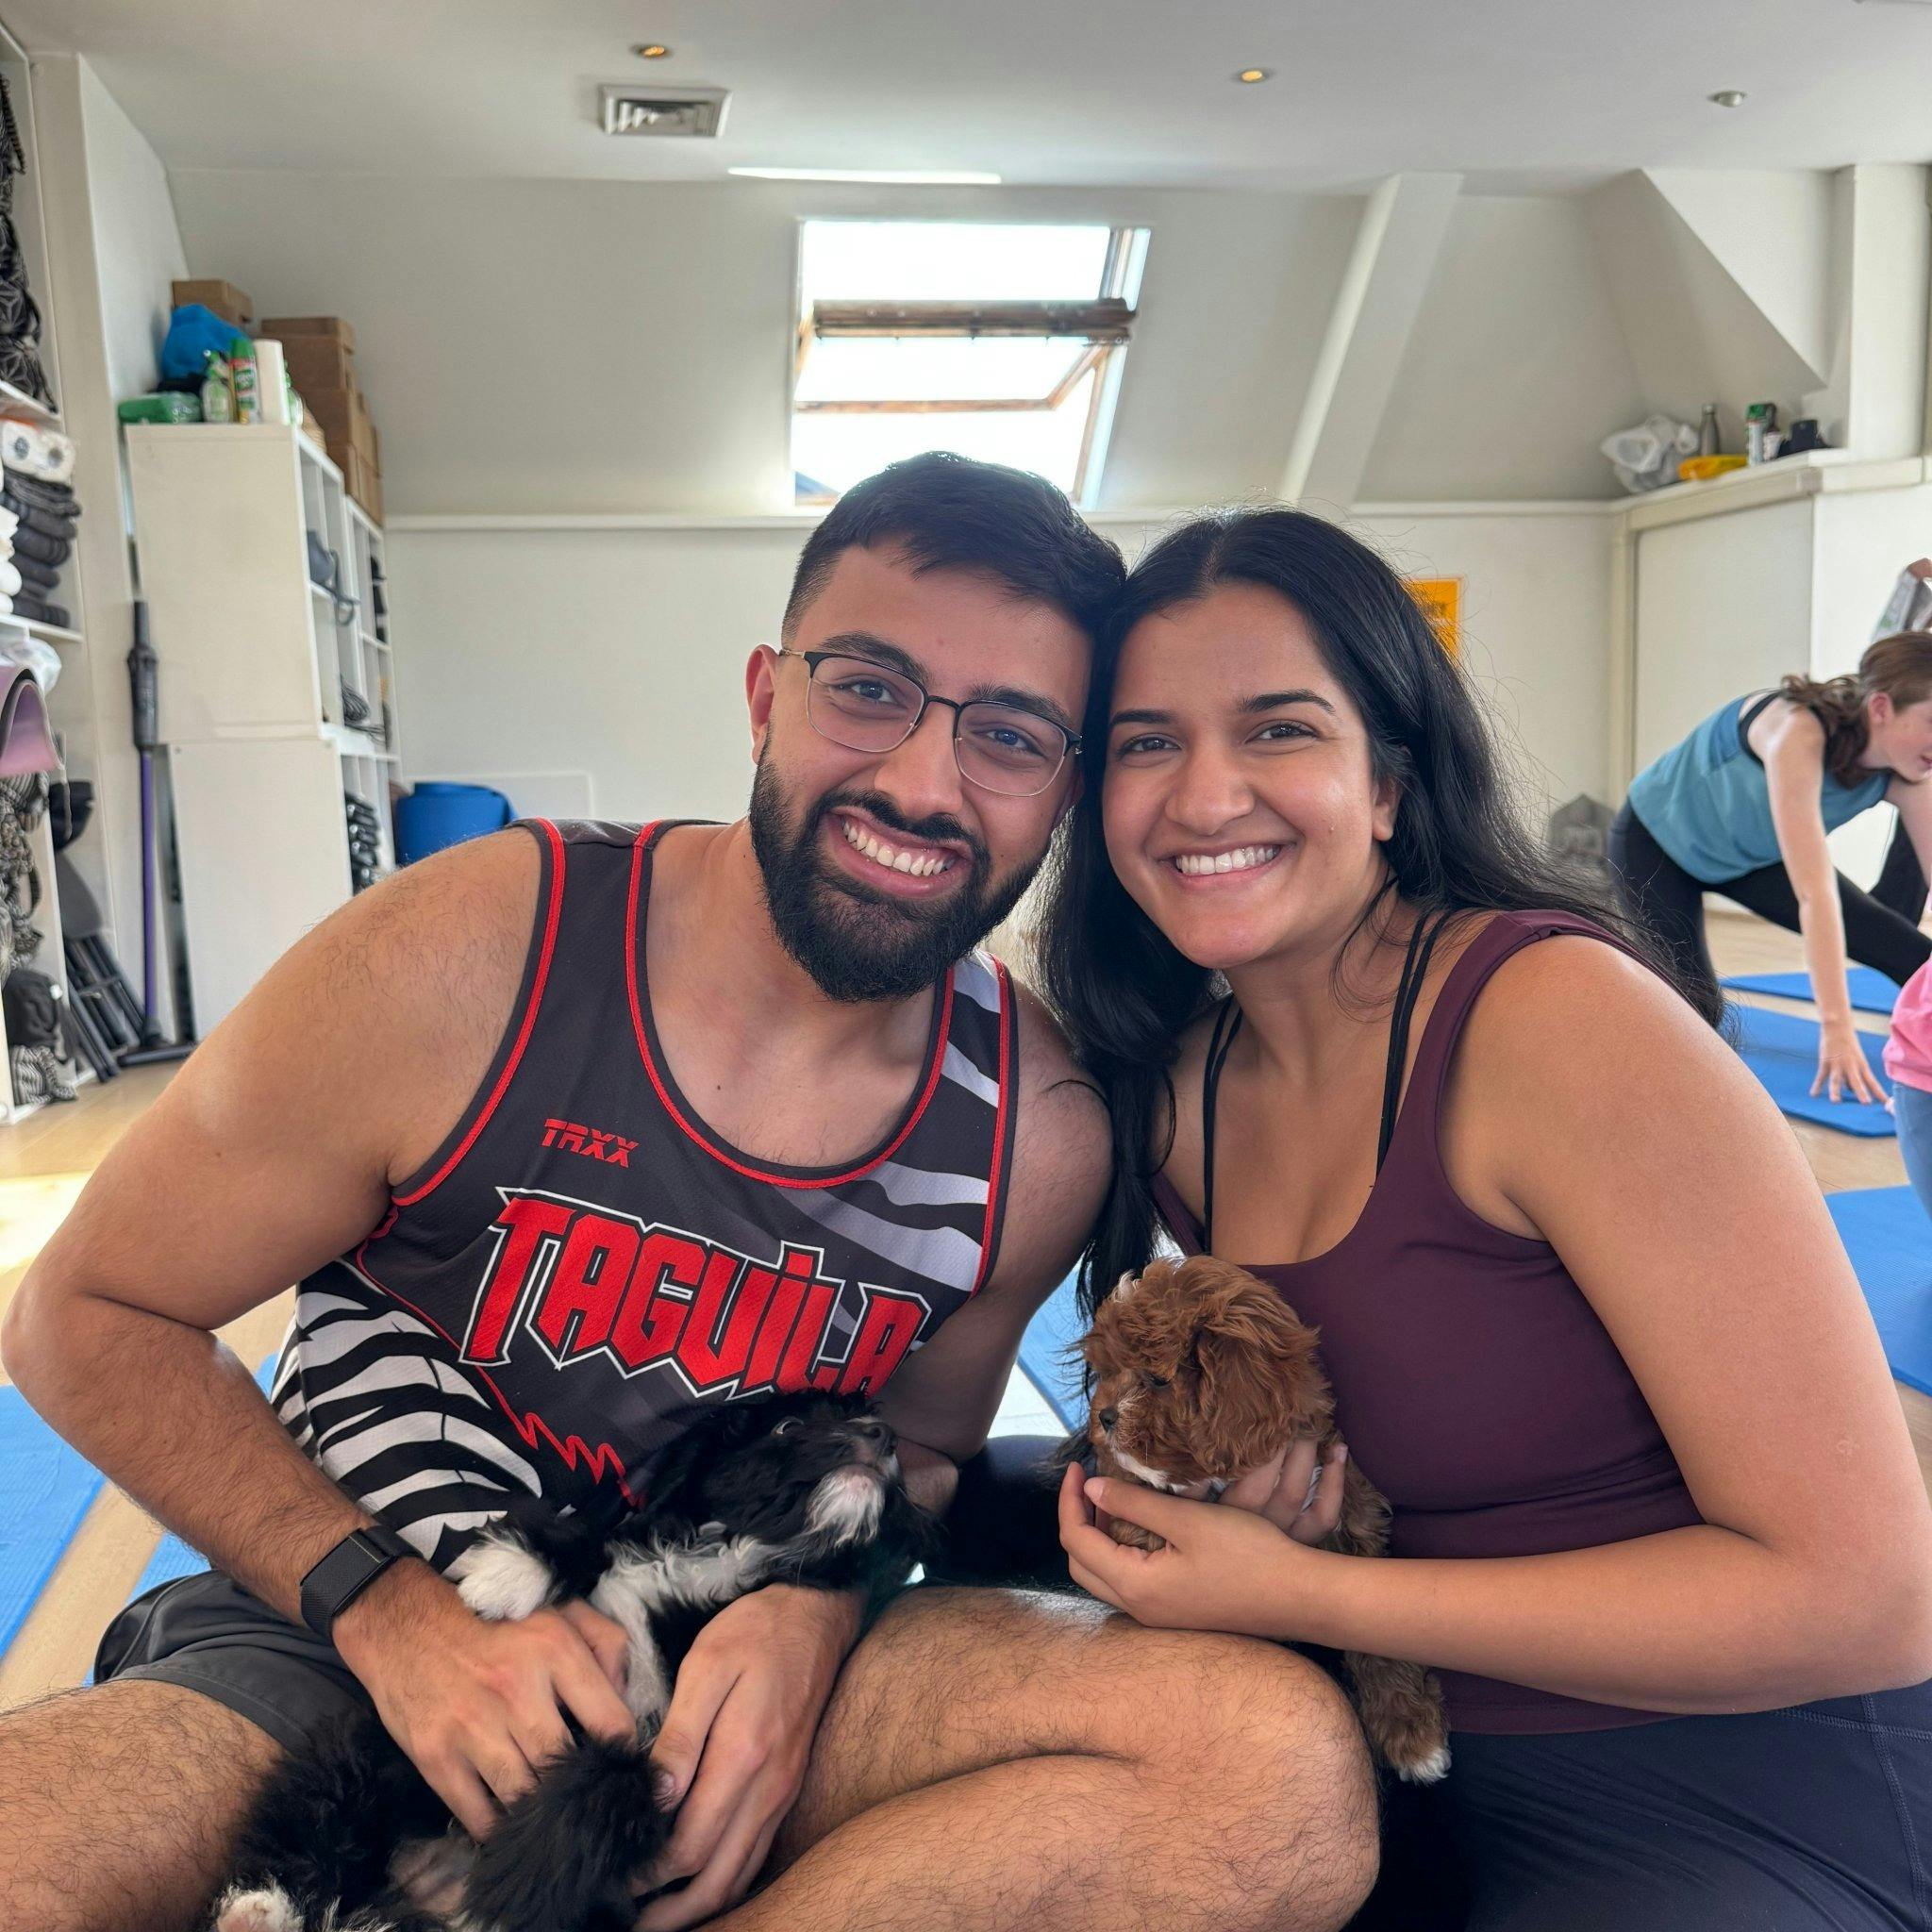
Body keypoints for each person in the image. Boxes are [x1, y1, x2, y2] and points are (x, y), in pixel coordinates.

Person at [0, 458, 1378, 1932]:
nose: (922, 782)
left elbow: (913, 1458)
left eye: (1011, 736)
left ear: (1066, 790)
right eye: (868, 688)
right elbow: (86, 1315)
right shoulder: (467, 955)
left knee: (1276, 1779)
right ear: (765, 694)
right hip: (341, 1631)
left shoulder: (1034, 1133)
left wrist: (814, 1614)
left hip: (738, 1659)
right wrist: (394, 1624)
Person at [1035, 507, 1932, 1930]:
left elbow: (1867, 1598)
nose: (1204, 798)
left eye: (1278, 730)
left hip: (1730, 1784)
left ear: (1387, 783)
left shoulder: (1557, 1023)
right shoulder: (1175, 1096)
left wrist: (1310, 1600)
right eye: (1147, 742)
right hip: (1388, 1758)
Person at [1607, 637, 1932, 1103]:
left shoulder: (1910, 776)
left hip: (1750, 861)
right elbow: (1814, 896)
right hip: (1656, 845)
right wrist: (1837, 1028)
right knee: (1696, 1008)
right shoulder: (1797, 732)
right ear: (1881, 707)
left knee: (1918, 958)